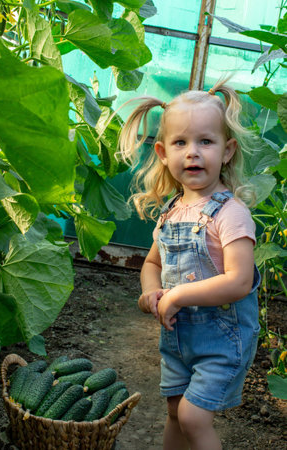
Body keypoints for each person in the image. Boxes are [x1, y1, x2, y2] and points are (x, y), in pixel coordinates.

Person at [117, 78, 261, 450]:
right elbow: (151, 263)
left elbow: (240, 281)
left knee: (195, 418)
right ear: (163, 153)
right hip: (178, 338)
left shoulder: (231, 214)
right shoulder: (172, 212)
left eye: (205, 142)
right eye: (181, 143)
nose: (192, 153)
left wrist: (178, 294)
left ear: (227, 151)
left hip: (222, 340)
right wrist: (151, 292)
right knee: (175, 411)